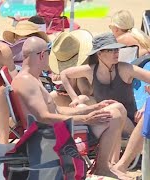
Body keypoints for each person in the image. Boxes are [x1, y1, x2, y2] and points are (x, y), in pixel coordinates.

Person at [11, 36, 129, 179]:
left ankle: (107, 165)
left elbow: (56, 110)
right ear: (43, 55)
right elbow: (43, 117)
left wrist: (91, 109)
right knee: (114, 115)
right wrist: (85, 119)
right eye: (48, 52)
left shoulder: (31, 78)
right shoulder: (26, 81)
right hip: (51, 136)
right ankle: (102, 168)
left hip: (57, 128)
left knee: (117, 107)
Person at [60, 33, 150, 163]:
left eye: (117, 49)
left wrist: (145, 106)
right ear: (99, 53)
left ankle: (112, 162)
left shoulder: (125, 69)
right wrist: (74, 98)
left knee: (114, 110)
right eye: (111, 50)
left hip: (129, 123)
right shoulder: (91, 70)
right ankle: (80, 150)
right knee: (82, 102)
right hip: (106, 120)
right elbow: (64, 74)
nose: (116, 53)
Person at [48, 30, 95, 107]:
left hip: (90, 100)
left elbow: (86, 92)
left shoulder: (89, 66)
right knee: (52, 96)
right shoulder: (66, 72)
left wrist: (78, 75)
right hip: (76, 99)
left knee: (81, 99)